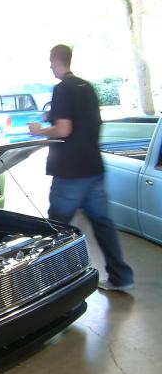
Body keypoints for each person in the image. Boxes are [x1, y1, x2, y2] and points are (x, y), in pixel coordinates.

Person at [28, 44, 134, 292]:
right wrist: (50, 118)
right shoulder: (86, 87)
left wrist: (40, 130)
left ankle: (51, 284)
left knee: (56, 227)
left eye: (51, 62)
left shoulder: (62, 88)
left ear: (56, 60)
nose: (50, 67)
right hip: (93, 168)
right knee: (102, 223)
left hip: (70, 172)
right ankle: (121, 277)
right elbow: (85, 120)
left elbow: (64, 129)